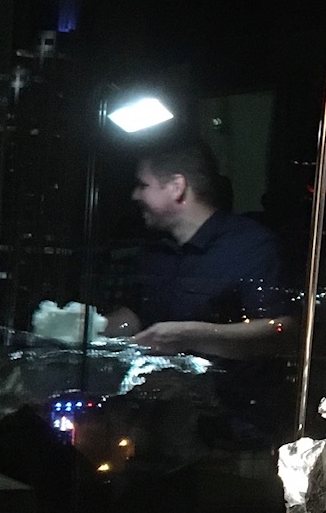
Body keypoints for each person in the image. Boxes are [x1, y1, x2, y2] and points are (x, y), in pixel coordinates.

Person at [104, 138, 289, 359]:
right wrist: (90, 327)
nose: (135, 195)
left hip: (227, 381)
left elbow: (280, 330)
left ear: (177, 187)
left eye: (143, 185)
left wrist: (191, 336)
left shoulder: (250, 246)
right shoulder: (156, 247)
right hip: (153, 379)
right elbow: (137, 316)